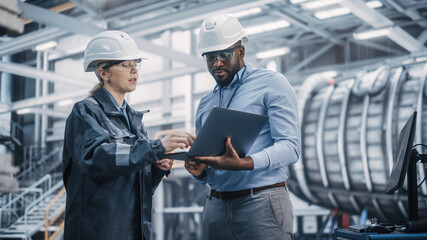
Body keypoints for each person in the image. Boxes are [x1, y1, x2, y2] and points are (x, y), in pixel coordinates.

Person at [62, 30, 195, 240]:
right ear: (103, 73)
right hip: (98, 231)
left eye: (136, 63)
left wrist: (156, 168)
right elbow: (98, 158)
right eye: (125, 65)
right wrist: (155, 148)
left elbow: (138, 187)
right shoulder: (85, 113)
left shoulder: (135, 122)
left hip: (133, 231)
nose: (134, 70)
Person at [184, 14, 301, 240]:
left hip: (261, 203)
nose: (217, 63)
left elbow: (290, 147)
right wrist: (199, 173)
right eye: (210, 57)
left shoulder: (271, 83)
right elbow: (209, 163)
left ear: (241, 51)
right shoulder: (205, 104)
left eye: (224, 55)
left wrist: (245, 163)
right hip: (215, 204)